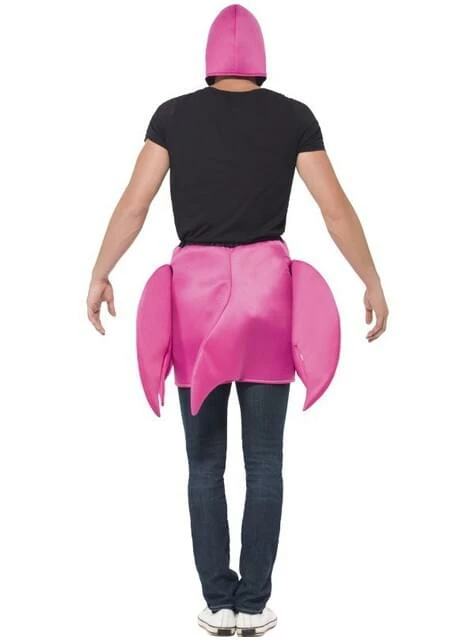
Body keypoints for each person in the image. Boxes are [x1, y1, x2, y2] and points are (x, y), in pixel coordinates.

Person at [86, 3, 389, 637]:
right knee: (265, 462)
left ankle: (217, 604)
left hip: (194, 304)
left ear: (208, 60)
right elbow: (334, 209)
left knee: (204, 464)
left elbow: (136, 203)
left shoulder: (172, 116)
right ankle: (254, 604)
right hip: (266, 302)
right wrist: (371, 279)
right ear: (260, 59)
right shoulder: (294, 117)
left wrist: (100, 271)